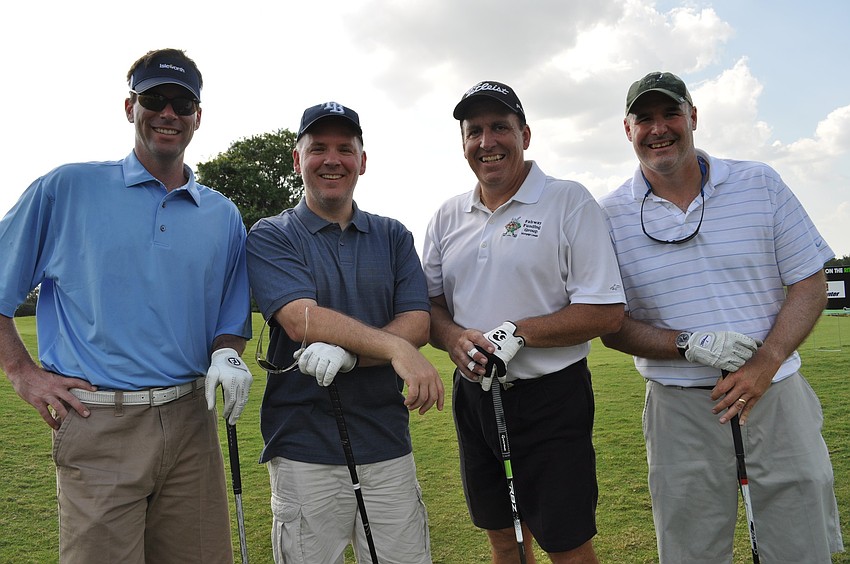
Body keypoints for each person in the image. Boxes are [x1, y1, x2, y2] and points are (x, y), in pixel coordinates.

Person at [0, 48, 253, 563]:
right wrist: (23, 373)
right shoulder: (67, 188)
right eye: (154, 99)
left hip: (190, 424)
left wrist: (228, 352)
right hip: (99, 425)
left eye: (181, 103)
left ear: (197, 117)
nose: (168, 113)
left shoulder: (223, 215)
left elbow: (230, 317)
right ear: (129, 107)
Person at [598, 71, 844, 563]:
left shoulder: (759, 182)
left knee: (801, 546)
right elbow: (610, 324)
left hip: (775, 394)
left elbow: (809, 282)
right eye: (643, 118)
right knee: (691, 551)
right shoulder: (608, 215)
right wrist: (684, 343)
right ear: (627, 130)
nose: (659, 128)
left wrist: (766, 362)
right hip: (678, 407)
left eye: (670, 113)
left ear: (692, 116)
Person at [422, 81, 626, 564]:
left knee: (567, 541)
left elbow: (606, 310)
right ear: (464, 143)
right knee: (503, 536)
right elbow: (428, 305)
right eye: (475, 131)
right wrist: (452, 337)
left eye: (500, 127)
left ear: (525, 134)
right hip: (473, 396)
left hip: (550, 398)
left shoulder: (568, 201)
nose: (487, 141)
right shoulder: (448, 215)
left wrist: (518, 332)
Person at [246, 101, 444, 564]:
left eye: (345, 148)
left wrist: (353, 355)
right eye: (318, 148)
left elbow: (418, 319)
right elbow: (301, 319)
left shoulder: (393, 236)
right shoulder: (271, 234)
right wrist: (394, 348)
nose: (332, 159)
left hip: (386, 442)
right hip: (303, 449)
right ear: (298, 160)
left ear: (362, 161)